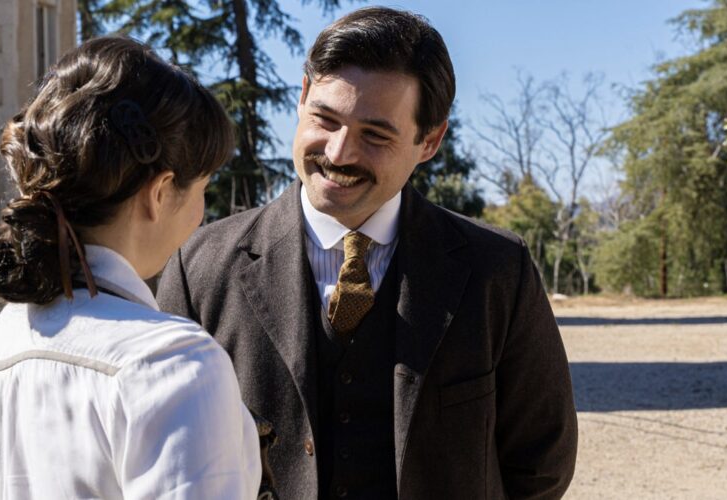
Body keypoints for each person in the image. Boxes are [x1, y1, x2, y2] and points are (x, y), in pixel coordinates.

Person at [157, 6, 578, 500]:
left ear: (430, 140)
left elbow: (541, 462)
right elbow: (171, 455)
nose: (338, 154)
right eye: (325, 119)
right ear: (301, 97)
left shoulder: (497, 270)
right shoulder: (199, 266)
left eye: (375, 135)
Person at [0, 36, 261, 499]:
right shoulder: (174, 361)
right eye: (203, 187)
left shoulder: (11, 332)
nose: (204, 212)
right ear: (160, 192)